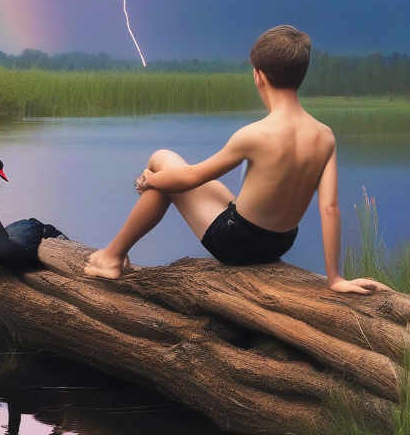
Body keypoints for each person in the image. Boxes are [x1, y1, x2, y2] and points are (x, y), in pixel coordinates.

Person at [83, 25, 386, 294]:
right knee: (196, 182)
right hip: (279, 243)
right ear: (301, 76)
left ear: (258, 75)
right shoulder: (324, 136)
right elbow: (330, 208)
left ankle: (112, 257)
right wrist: (335, 278)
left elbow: (189, 178)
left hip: (237, 244)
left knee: (162, 159)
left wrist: (150, 180)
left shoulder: (255, 134)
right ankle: (115, 251)